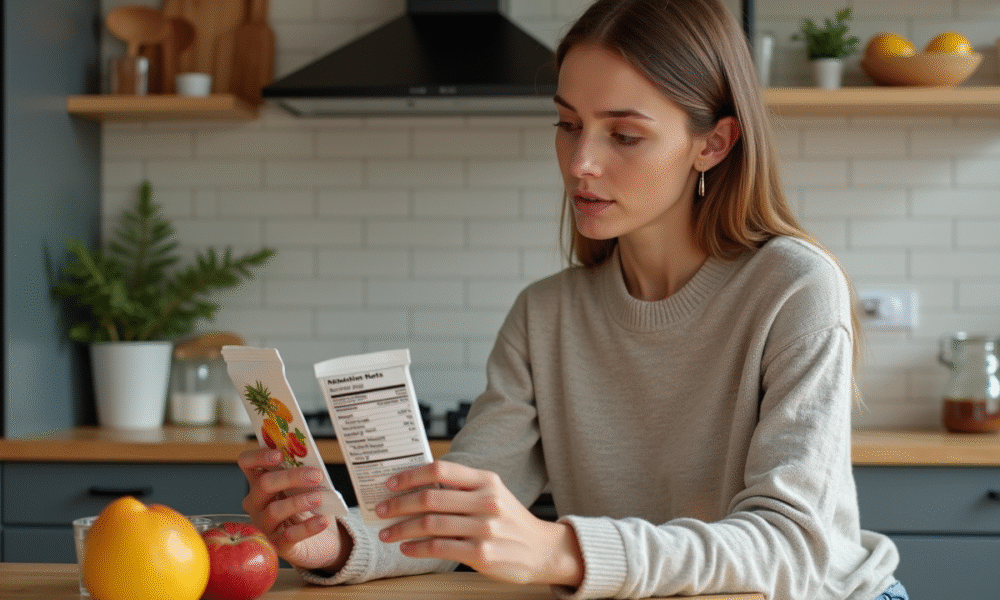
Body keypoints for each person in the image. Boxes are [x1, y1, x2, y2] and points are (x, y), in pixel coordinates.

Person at [237, 0, 906, 598]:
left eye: (624, 135)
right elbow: (450, 519)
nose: (580, 162)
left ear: (713, 143)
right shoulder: (545, 316)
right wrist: (330, 543)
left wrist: (560, 550)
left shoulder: (794, 288)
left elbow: (792, 549)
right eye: (567, 123)